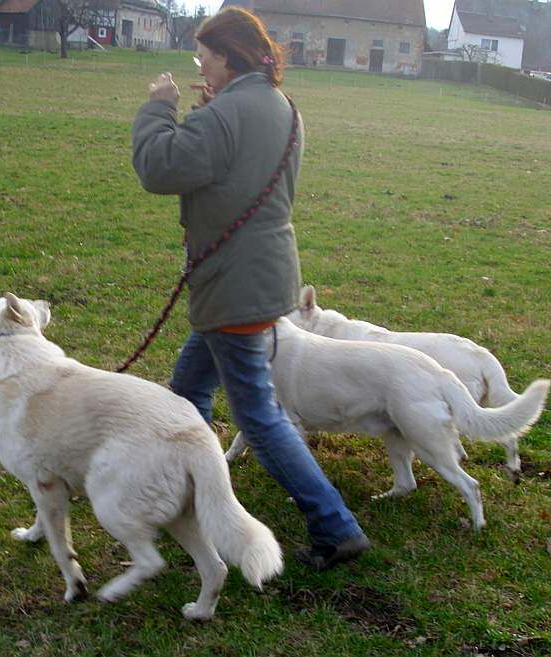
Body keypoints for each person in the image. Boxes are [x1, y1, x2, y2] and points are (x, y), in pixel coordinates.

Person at [131, 6, 369, 571]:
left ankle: (336, 527)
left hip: (232, 285)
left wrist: (159, 107)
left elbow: (158, 169)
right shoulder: (282, 107)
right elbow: (234, 163)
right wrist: (209, 112)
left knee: (259, 417)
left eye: (204, 58)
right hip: (261, 276)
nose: (200, 67)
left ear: (229, 58)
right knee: (187, 390)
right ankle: (182, 495)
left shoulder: (225, 115)